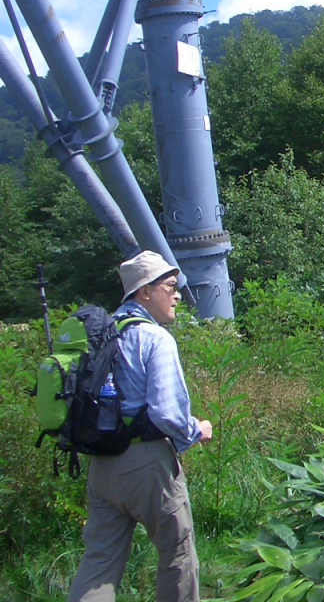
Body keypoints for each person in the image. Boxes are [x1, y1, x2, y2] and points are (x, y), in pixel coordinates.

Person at [67, 251, 213, 602]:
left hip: (101, 464)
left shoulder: (102, 335)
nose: (177, 294)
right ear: (144, 292)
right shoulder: (154, 338)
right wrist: (196, 431)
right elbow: (166, 413)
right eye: (170, 286)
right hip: (147, 465)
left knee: (100, 561)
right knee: (176, 556)